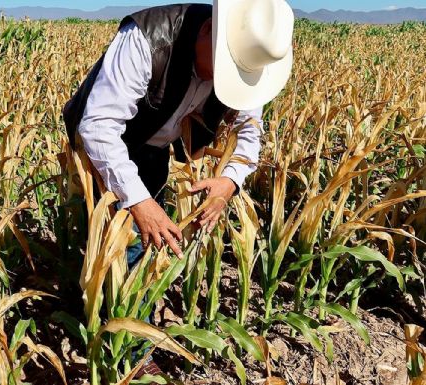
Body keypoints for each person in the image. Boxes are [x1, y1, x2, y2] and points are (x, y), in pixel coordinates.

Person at [63, 0, 294, 379]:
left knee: (137, 248)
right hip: (100, 145)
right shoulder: (146, 38)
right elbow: (99, 126)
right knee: (99, 235)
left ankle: (126, 339)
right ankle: (114, 339)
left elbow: (251, 134)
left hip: (153, 148)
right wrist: (138, 200)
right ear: (208, 32)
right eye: (223, 69)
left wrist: (229, 182)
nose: (222, 84)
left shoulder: (251, 61)